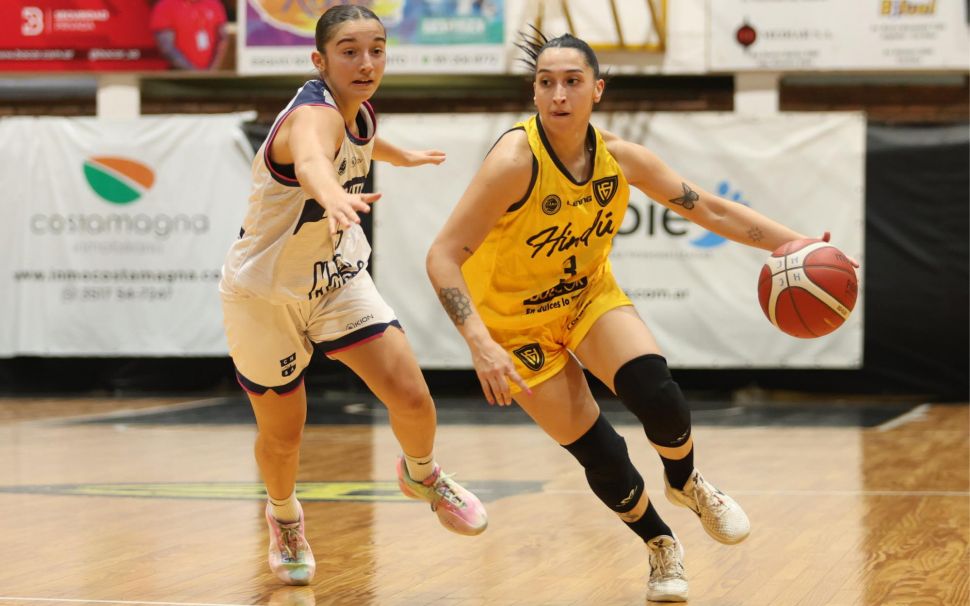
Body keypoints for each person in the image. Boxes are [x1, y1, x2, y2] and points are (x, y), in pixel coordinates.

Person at [426, 29, 857, 603]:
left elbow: (712, 210)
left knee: (656, 390)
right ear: (534, 92)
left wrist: (800, 246)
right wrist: (480, 343)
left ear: (597, 90)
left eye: (572, 81)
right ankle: (660, 543)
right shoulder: (512, 162)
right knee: (602, 453)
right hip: (513, 326)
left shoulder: (620, 158)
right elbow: (442, 256)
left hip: (586, 299)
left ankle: (686, 482)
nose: (558, 94)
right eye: (546, 82)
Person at [219, 5, 487, 587]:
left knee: (412, 396)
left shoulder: (357, 110)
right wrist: (332, 194)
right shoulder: (311, 116)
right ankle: (284, 516)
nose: (366, 63)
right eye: (349, 52)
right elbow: (313, 157)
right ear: (319, 60)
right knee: (284, 434)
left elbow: (357, 138)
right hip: (264, 293)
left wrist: (399, 155)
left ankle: (421, 474)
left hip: (335, 277)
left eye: (377, 50)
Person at [150, 0, 229, 70]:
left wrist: (212, 71)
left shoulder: (214, 4)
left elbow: (222, 39)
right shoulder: (166, 5)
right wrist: (193, 73)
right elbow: (167, 48)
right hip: (176, 74)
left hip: (209, 74)